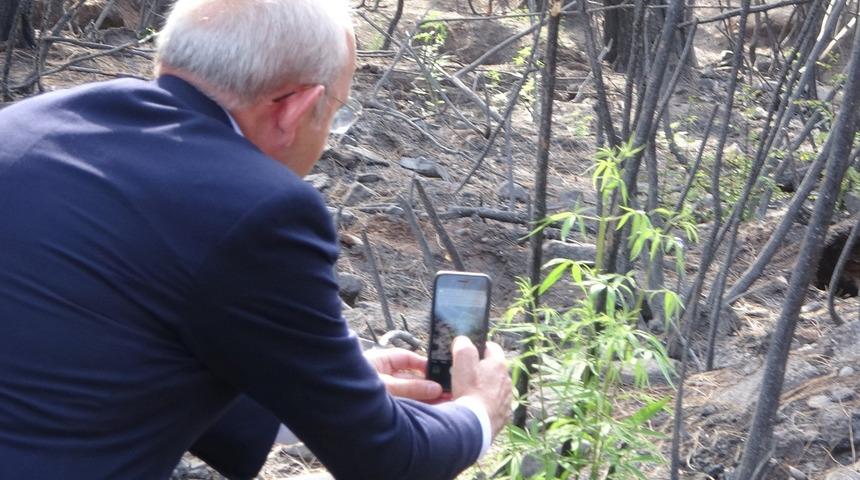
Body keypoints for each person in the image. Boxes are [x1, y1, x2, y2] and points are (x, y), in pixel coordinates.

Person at [0, 0, 512, 479]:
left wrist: (318, 384)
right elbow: (385, 457)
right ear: (294, 108)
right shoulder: (262, 208)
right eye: (337, 110)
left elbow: (93, 340)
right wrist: (479, 413)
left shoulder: (28, 126)